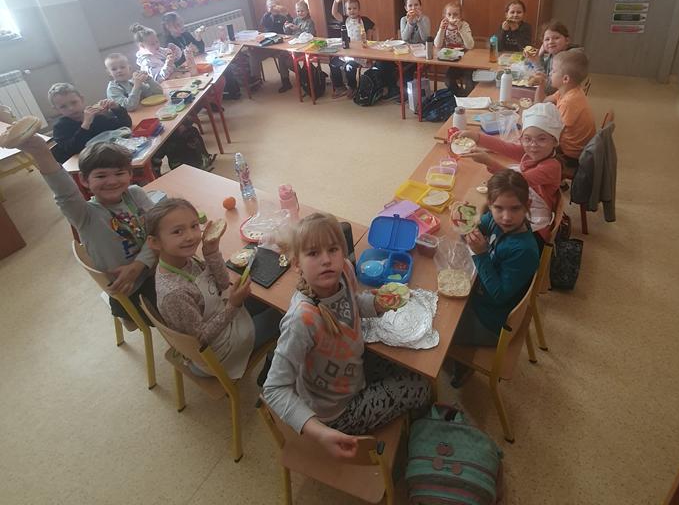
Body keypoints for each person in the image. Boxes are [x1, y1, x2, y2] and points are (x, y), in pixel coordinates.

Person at [263, 213, 430, 459]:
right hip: (336, 413)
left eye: (333, 250)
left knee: (419, 365)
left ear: (343, 252)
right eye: (313, 253)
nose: (326, 260)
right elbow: (274, 389)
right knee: (421, 386)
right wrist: (319, 432)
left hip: (353, 369)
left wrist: (377, 304)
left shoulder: (345, 272)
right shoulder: (302, 320)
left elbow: (352, 303)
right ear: (297, 264)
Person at [12, 135, 157, 321]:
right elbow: (65, 192)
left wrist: (139, 264)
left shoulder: (135, 194)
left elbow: (158, 231)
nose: (112, 181)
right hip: (132, 289)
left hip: (154, 267)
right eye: (101, 176)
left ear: (130, 174)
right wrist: (42, 153)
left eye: (119, 173)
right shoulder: (84, 214)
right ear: (84, 180)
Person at [146, 198, 281, 379]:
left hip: (220, 314)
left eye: (194, 226)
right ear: (155, 242)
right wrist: (233, 305)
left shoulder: (184, 259)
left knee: (268, 299)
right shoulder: (174, 294)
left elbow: (223, 284)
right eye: (178, 231)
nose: (191, 236)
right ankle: (273, 366)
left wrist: (211, 251)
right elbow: (201, 339)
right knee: (282, 316)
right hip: (217, 353)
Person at [450, 170, 540, 386]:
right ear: (489, 205)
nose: (506, 217)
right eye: (499, 208)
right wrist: (465, 222)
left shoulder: (523, 250)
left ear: (527, 205)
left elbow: (498, 295)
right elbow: (477, 228)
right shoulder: (494, 220)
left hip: (492, 322)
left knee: (441, 329)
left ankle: (463, 365)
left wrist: (481, 254)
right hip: (481, 297)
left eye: (515, 208)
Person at [459, 103, 564, 243]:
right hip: (520, 206)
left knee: (489, 221)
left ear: (555, 141)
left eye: (542, 139)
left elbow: (518, 181)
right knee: (483, 213)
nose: (533, 145)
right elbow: (505, 147)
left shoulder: (552, 166)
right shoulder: (530, 152)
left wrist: (488, 161)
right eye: (527, 138)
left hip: (535, 225)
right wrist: (477, 137)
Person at [102, 54, 214, 173]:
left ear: (129, 68)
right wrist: (137, 86)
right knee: (173, 135)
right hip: (135, 127)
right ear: (109, 72)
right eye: (114, 69)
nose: (119, 71)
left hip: (149, 118)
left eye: (122, 67)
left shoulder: (131, 82)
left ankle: (198, 161)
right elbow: (129, 107)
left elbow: (157, 93)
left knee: (184, 128)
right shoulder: (113, 89)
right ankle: (181, 166)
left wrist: (149, 79)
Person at [535, 49, 596, 172]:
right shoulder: (567, 90)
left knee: (532, 146)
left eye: (553, 71)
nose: (550, 73)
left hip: (572, 155)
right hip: (571, 147)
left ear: (565, 79)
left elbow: (554, 134)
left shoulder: (570, 101)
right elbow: (541, 104)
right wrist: (541, 84)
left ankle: (548, 178)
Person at [161, 11, 242, 100]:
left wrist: (198, 37)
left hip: (196, 62)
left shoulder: (185, 34)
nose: (181, 26)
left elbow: (201, 49)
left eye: (181, 23)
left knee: (224, 66)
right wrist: (187, 53)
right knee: (210, 75)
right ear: (168, 27)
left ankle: (232, 92)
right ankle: (215, 97)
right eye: (177, 25)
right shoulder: (169, 43)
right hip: (184, 70)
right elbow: (176, 63)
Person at [49, 82, 132, 163]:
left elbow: (125, 125)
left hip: (109, 155)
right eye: (63, 106)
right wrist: (85, 125)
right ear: (56, 109)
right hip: (87, 162)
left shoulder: (96, 116)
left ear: (81, 99)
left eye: (74, 102)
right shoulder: (60, 127)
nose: (71, 108)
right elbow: (73, 149)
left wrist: (116, 108)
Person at [330, 0, 376, 98]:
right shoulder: (345, 19)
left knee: (349, 66)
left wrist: (369, 50)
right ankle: (340, 87)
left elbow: (373, 30)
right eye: (349, 9)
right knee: (333, 63)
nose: (352, 11)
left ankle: (352, 87)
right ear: (346, 11)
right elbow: (334, 13)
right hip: (347, 52)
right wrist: (336, 2)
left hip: (360, 54)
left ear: (359, 10)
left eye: (355, 8)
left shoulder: (364, 20)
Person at [434, 1, 475, 96]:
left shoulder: (464, 25)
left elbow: (470, 45)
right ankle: (460, 96)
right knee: (448, 81)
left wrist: (460, 29)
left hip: (466, 61)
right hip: (453, 61)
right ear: (445, 16)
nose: (452, 17)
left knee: (469, 84)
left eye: (455, 14)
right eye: (449, 14)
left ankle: (465, 97)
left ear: (460, 16)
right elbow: (437, 45)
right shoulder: (444, 26)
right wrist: (441, 29)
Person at [259, 0, 293, 93]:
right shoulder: (267, 17)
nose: (273, 8)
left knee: (283, 58)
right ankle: (254, 79)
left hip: (281, 43)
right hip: (269, 44)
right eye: (270, 6)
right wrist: (268, 13)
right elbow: (263, 24)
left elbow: (291, 22)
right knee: (253, 53)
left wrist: (286, 13)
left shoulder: (282, 16)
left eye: (275, 6)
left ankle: (286, 81)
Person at [535, 20, 572, 94]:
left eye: (556, 38)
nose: (551, 42)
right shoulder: (553, 55)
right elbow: (545, 71)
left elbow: (549, 88)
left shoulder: (564, 60)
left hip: (559, 96)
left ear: (567, 40)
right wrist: (540, 56)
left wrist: (537, 61)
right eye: (547, 39)